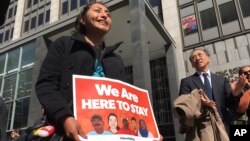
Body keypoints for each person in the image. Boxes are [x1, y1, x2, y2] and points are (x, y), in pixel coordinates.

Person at [35, 2, 125, 141]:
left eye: (108, 14)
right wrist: (64, 117)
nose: (104, 15)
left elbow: (124, 100)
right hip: (68, 132)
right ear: (82, 19)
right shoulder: (65, 44)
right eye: (97, 10)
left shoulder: (115, 58)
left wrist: (149, 132)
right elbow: (46, 84)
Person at [179, 48, 240, 133]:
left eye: (200, 55)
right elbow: (184, 107)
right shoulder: (186, 82)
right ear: (192, 64)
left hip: (223, 126)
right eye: (194, 57)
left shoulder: (222, 80)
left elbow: (231, 106)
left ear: (209, 58)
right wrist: (200, 103)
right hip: (201, 127)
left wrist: (235, 92)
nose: (198, 58)